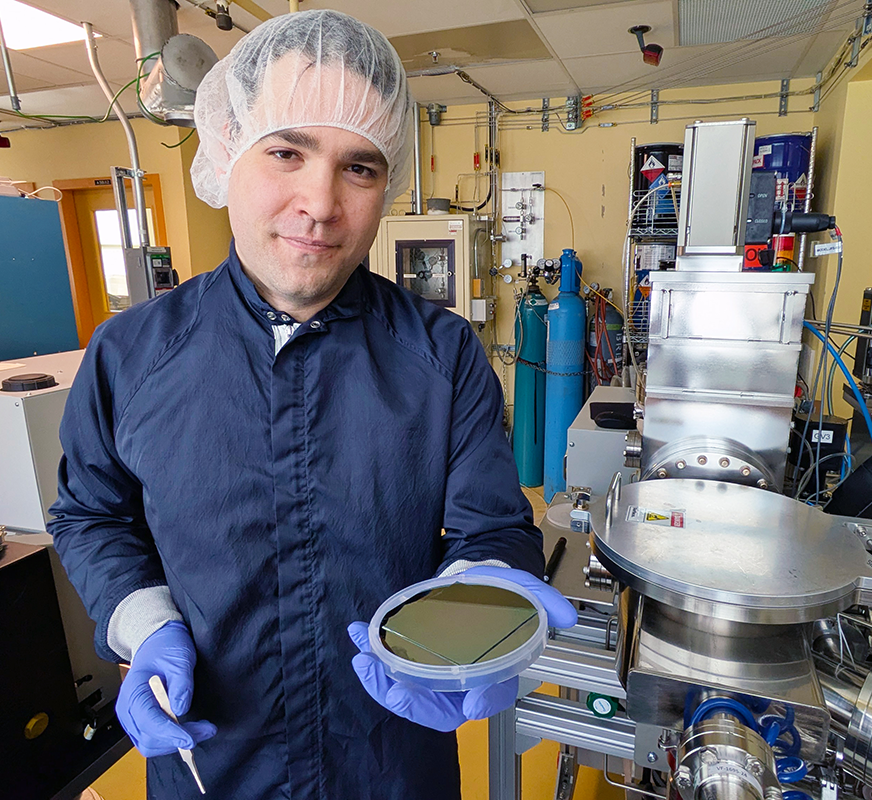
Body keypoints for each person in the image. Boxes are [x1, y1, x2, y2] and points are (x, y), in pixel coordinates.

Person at [48, 10, 574, 799]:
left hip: (392, 762)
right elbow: (90, 517)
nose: (321, 202)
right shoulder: (130, 358)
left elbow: (492, 525)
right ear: (227, 152)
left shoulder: (442, 357)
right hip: (209, 765)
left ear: (386, 183)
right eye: (287, 152)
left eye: (359, 167)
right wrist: (142, 618)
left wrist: (489, 597)